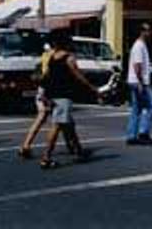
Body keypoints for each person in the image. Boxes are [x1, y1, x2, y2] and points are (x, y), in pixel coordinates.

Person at [39, 30, 96, 169]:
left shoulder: (53, 57)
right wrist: (92, 88)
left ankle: (79, 151)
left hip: (53, 94)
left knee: (69, 124)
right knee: (57, 125)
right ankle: (46, 157)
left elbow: (47, 77)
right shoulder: (69, 58)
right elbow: (78, 76)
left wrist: (44, 94)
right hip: (64, 96)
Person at [19, 41, 55, 158]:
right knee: (62, 121)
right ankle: (74, 148)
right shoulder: (53, 58)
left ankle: (26, 145)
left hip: (42, 89)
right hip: (50, 91)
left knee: (41, 117)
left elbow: (37, 76)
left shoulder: (43, 59)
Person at [126, 23, 152, 145]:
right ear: (142, 32)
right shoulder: (139, 46)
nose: (150, 33)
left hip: (135, 81)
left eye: (150, 30)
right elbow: (137, 65)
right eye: (148, 30)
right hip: (139, 82)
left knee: (136, 109)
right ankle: (143, 133)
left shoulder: (140, 45)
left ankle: (131, 136)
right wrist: (141, 82)